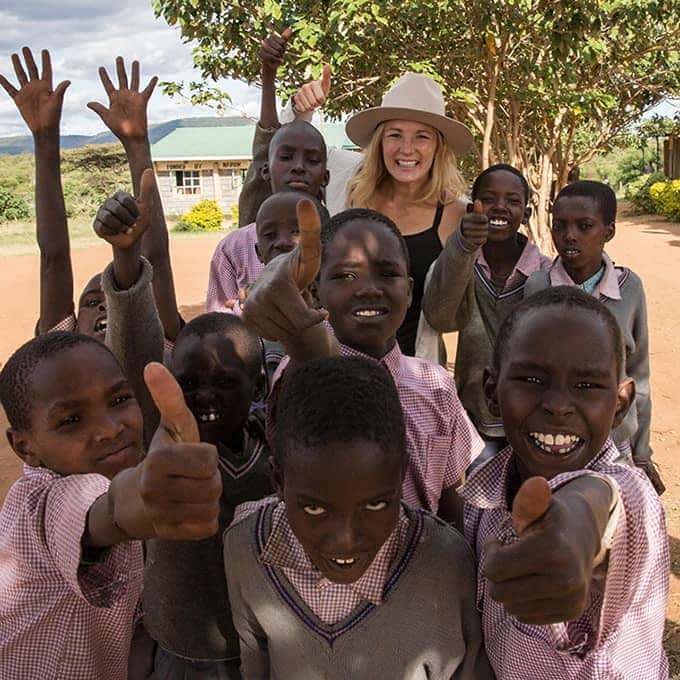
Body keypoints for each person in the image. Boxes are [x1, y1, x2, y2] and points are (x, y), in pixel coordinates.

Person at [93, 187, 274, 678]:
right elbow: (139, 352)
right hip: (182, 653)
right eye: (189, 384)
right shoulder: (167, 443)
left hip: (267, 650)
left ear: (259, 386)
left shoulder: (275, 446)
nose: (206, 397)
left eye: (225, 382)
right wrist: (126, 256)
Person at [224, 356, 493, 679]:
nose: (345, 540)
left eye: (376, 505)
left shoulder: (446, 563)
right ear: (278, 482)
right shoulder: (244, 548)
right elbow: (256, 663)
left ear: (400, 476)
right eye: (315, 508)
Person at [460, 287, 668, 678]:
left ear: (621, 404)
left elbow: (600, 500)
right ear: (491, 393)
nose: (558, 405)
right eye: (532, 379)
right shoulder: (482, 497)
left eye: (587, 386)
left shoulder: (632, 494)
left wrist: (578, 525)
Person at [242, 200, 483, 528]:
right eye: (344, 275)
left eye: (387, 274)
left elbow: (453, 498)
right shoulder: (300, 371)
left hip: (424, 565)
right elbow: (318, 372)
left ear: (410, 292)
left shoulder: (436, 383)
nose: (369, 289)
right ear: (314, 291)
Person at [0, 332, 221, 680]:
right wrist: (131, 505)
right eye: (71, 420)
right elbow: (106, 510)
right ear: (25, 447)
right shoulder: (39, 507)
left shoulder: (125, 472)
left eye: (119, 399)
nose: (108, 429)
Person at [275, 65, 474, 358]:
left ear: (438, 148)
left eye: (422, 137)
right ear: (379, 141)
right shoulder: (348, 181)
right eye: (395, 135)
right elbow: (295, 148)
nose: (407, 149)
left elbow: (454, 310)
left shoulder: (458, 215)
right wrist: (301, 110)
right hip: (337, 361)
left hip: (414, 374)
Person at [0, 48, 181, 344]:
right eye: (91, 301)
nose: (103, 305)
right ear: (70, 325)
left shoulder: (156, 342)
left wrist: (137, 145)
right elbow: (53, 258)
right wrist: (44, 138)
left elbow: (156, 259)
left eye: (115, 297)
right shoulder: (64, 351)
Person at [524, 180, 663, 494]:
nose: (570, 235)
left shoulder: (629, 288)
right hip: (554, 438)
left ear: (608, 232)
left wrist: (642, 453)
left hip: (615, 439)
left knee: (616, 523)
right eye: (560, 226)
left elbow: (638, 376)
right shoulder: (537, 286)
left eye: (584, 226)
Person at [422, 164, 551, 460]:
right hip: (474, 418)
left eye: (513, 201)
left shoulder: (544, 274)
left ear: (527, 214)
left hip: (532, 417)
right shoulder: (457, 260)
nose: (500, 208)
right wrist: (463, 247)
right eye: (489, 198)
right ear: (472, 207)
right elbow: (440, 318)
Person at [206, 31, 329, 314]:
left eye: (312, 160)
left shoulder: (341, 238)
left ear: (325, 176)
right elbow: (219, 324)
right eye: (286, 157)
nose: (298, 166)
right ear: (265, 169)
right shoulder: (235, 248)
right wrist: (268, 77)